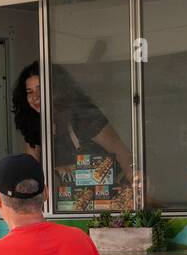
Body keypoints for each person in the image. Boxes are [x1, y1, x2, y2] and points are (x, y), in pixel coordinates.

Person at [12, 61, 136, 204]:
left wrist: (139, 191)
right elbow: (32, 172)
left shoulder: (84, 117)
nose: (36, 97)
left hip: (106, 199)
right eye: (30, 92)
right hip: (63, 204)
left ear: (58, 90)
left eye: (41, 89)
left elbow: (123, 154)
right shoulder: (33, 126)